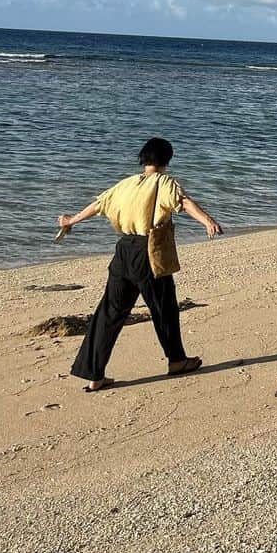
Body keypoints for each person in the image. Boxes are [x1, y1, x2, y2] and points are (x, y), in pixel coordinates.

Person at [57, 136, 223, 392]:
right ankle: (177, 361)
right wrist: (208, 221)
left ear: (143, 159)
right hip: (149, 251)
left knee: (109, 313)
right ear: (167, 160)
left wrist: (71, 221)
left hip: (123, 251)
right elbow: (184, 202)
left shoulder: (125, 184)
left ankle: (94, 375)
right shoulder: (165, 182)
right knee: (164, 307)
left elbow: (98, 205)